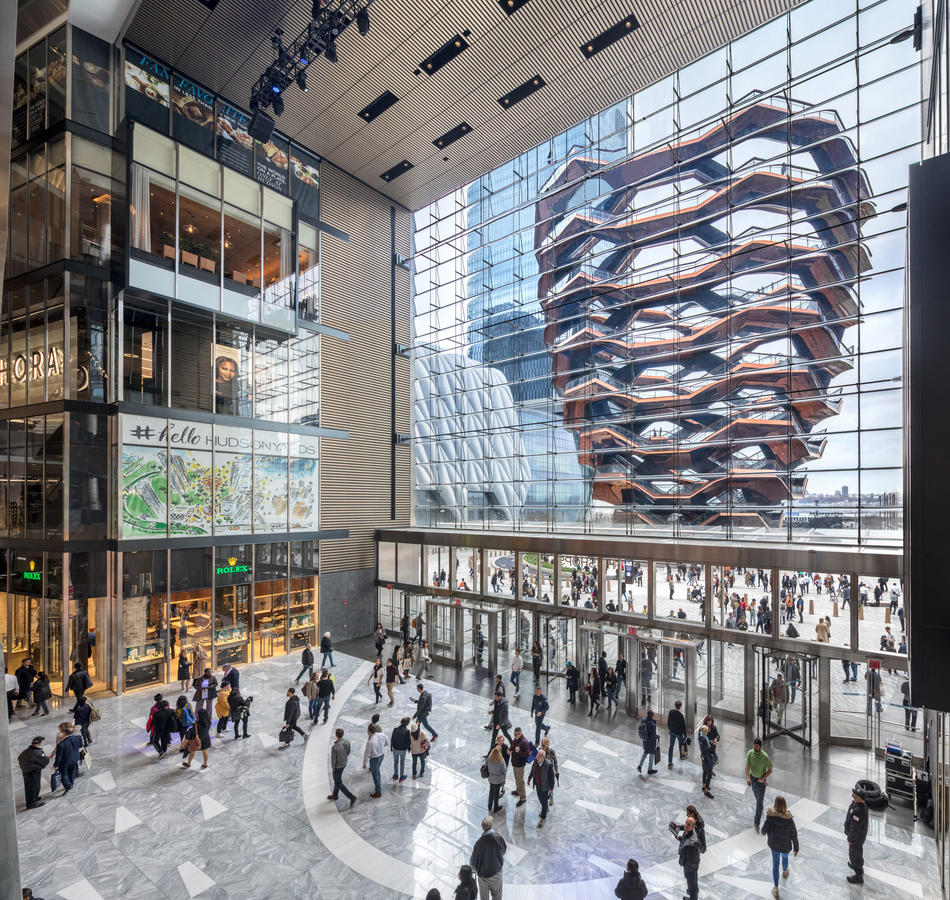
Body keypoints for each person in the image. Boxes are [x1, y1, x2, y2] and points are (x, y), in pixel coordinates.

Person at [761, 795, 799, 898]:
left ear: (775, 805)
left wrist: (766, 831)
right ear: (785, 806)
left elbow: (763, 831)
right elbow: (794, 835)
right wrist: (796, 848)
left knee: (775, 865)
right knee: (785, 857)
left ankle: (776, 888)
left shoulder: (770, 817)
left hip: (775, 845)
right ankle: (785, 871)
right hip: (786, 846)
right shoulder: (789, 820)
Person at [470, 815, 506, 900]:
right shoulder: (498, 838)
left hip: (483, 878)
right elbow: (503, 850)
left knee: (484, 898)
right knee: (497, 896)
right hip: (496, 873)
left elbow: (473, 862)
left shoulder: (478, 843)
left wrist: (473, 871)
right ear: (491, 825)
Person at [746, 737, 773, 832]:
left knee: (759, 801)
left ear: (760, 747)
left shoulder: (765, 757)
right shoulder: (750, 753)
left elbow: (770, 770)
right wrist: (747, 777)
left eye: (757, 747)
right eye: (754, 746)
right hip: (753, 779)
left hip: (760, 781)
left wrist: (763, 778)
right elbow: (747, 765)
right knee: (757, 798)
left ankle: (756, 822)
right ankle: (760, 808)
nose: (755, 748)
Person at [844, 784, 869, 884]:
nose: (853, 794)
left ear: (858, 797)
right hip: (858, 837)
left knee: (853, 854)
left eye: (855, 794)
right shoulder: (858, 805)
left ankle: (858, 875)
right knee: (857, 852)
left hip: (856, 838)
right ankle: (858, 865)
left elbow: (855, 827)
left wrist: (850, 839)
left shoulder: (859, 810)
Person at [18, 736, 49, 809]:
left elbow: (19, 758)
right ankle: (32, 804)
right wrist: (47, 758)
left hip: (25, 771)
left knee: (28, 786)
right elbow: (44, 761)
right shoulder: (38, 752)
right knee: (35, 786)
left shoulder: (26, 751)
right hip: (33, 772)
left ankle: (33, 799)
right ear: (40, 743)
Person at [327, 727, 356, 806]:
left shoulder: (335, 747)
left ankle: (351, 796)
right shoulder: (347, 741)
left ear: (336, 735)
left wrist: (333, 769)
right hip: (344, 763)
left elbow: (333, 760)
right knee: (337, 781)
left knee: (338, 783)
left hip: (337, 767)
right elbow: (348, 751)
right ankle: (335, 795)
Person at [53, 723, 84, 793]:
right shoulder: (78, 737)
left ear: (64, 733)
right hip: (75, 759)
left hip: (64, 762)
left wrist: (56, 765)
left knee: (64, 774)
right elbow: (80, 745)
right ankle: (71, 783)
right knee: (72, 772)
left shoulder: (61, 744)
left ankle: (68, 785)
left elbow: (59, 757)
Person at [676, 816, 702, 900]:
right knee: (691, 884)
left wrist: (687, 867)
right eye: (686, 822)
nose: (686, 825)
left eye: (689, 824)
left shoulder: (692, 843)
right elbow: (684, 841)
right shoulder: (687, 832)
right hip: (688, 866)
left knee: (693, 887)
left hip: (690, 868)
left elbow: (694, 858)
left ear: (693, 827)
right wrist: (679, 838)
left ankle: (693, 898)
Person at [529, 748, 555, 827]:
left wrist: (551, 788)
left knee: (543, 802)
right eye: (537, 756)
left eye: (539, 757)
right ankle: (546, 807)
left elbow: (551, 777)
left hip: (544, 786)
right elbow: (532, 770)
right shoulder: (536, 761)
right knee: (540, 799)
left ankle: (543, 818)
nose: (537, 758)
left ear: (543, 757)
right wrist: (529, 778)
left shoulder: (548, 764)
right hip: (538, 784)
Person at [362, 723, 389, 798]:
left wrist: (364, 763)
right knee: (377, 771)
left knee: (375, 775)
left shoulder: (370, 741)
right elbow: (387, 743)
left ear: (369, 731)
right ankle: (378, 786)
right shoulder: (382, 735)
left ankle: (378, 792)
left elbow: (366, 753)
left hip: (374, 759)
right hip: (381, 756)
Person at [509, 726, 531, 807]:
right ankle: (518, 791)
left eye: (516, 735)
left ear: (520, 734)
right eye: (514, 734)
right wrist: (510, 750)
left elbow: (527, 754)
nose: (514, 736)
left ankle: (523, 798)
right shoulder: (516, 739)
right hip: (515, 763)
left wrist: (519, 752)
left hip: (520, 765)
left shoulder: (524, 742)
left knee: (520, 781)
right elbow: (513, 745)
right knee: (517, 779)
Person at [486, 738, 508, 812]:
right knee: (496, 794)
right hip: (498, 780)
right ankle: (495, 808)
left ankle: (489, 806)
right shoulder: (501, 761)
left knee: (491, 792)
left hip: (491, 779)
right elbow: (504, 771)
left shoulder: (489, 759)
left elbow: (487, 766)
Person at [636, 709, 658, 774]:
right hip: (651, 742)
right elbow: (653, 735)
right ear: (652, 715)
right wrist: (657, 736)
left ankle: (640, 766)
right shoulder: (652, 724)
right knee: (651, 755)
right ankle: (650, 769)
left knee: (645, 753)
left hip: (645, 740)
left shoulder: (644, 720)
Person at [539, 736, 559, 806]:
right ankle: (545, 804)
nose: (542, 747)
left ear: (547, 745)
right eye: (541, 745)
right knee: (544, 789)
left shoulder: (551, 751)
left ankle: (551, 799)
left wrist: (556, 770)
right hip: (543, 774)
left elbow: (555, 761)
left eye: (543, 745)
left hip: (550, 774)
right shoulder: (540, 750)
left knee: (551, 788)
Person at [391, 716, 412, 782]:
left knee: (395, 762)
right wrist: (409, 749)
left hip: (395, 749)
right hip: (402, 750)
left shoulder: (395, 729)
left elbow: (392, 739)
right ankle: (401, 776)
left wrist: (392, 747)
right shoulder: (407, 731)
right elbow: (408, 741)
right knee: (402, 763)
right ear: (407, 724)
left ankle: (395, 775)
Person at [667, 699, 687, 767]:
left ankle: (670, 762)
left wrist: (669, 728)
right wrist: (685, 735)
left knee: (671, 746)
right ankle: (681, 755)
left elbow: (668, 721)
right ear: (680, 706)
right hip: (679, 733)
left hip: (672, 731)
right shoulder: (681, 715)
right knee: (681, 744)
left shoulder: (671, 712)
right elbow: (683, 726)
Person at [698, 725, 715, 798]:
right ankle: (706, 790)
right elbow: (708, 750)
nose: (708, 732)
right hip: (706, 757)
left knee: (705, 771)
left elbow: (704, 747)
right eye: (707, 731)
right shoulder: (704, 739)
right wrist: (714, 745)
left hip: (702, 756)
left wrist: (710, 743)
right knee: (710, 773)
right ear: (705, 731)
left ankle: (704, 786)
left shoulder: (700, 737)